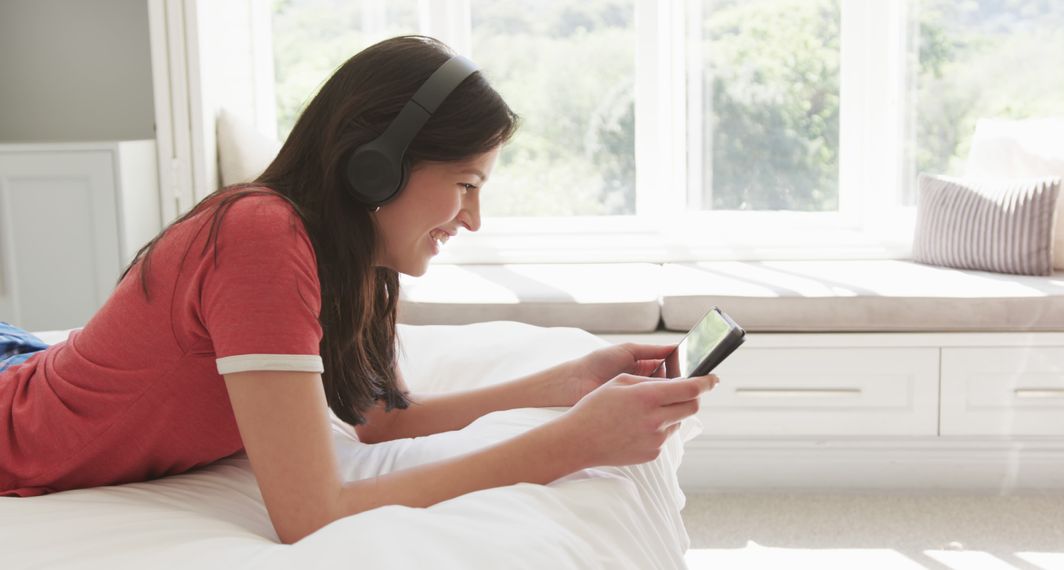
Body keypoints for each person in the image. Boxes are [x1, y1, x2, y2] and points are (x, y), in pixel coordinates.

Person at [0, 35, 717, 544]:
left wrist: (565, 384)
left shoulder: (349, 258)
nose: (472, 219)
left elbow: (380, 420)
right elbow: (312, 516)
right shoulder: (259, 236)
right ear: (376, 166)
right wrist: (573, 445)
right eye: (466, 185)